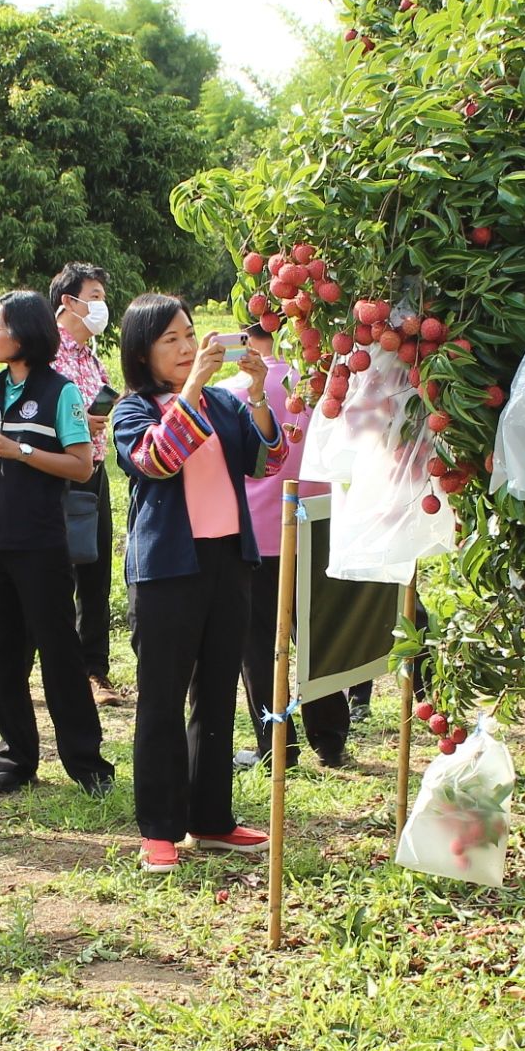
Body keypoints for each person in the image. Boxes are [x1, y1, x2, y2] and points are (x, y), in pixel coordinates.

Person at [111, 298, 285, 874]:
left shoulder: (227, 403)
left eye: (190, 335)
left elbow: (267, 461)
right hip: (166, 569)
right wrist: (194, 390)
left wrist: (258, 394)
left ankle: (211, 819)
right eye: (171, 341)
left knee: (216, 693)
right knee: (162, 697)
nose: (188, 349)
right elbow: (159, 460)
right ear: (142, 353)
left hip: (229, 562)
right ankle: (160, 828)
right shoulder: (131, 411)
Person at [0, 291, 114, 798]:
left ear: (23, 334)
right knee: (3, 654)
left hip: (40, 540)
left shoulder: (61, 393)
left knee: (59, 652)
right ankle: (17, 758)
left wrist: (20, 449)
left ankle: (86, 762)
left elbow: (81, 464)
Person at [219, 324, 349, 770]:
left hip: (256, 531)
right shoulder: (321, 384)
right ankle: (330, 741)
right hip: (317, 522)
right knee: (318, 635)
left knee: (257, 644)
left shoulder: (230, 392)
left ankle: (276, 745)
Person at [48, 263, 122, 705]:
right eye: (93, 295)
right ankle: (63, 669)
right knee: (61, 574)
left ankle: (94, 669)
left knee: (95, 572)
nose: (100, 305)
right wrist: (78, 424)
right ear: (68, 302)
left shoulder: (92, 357)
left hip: (95, 473)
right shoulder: (48, 356)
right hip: (62, 473)